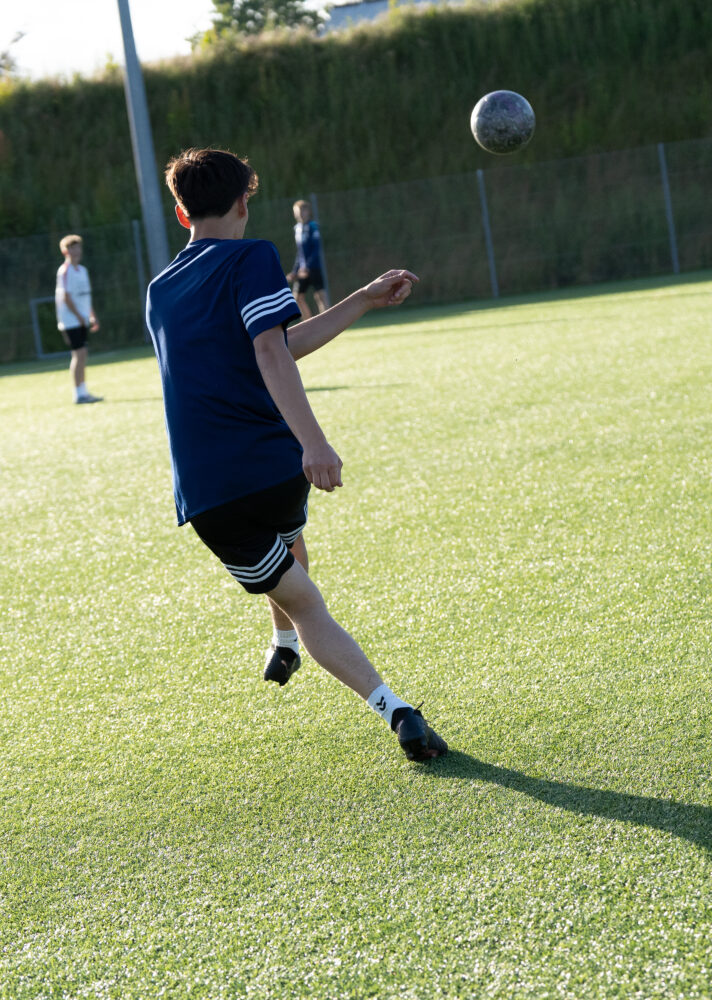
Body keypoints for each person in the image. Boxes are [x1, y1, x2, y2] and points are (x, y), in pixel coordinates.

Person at [145, 148, 446, 762]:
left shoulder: (159, 291)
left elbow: (272, 345)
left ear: (181, 214)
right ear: (243, 203)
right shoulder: (252, 255)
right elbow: (271, 353)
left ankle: (370, 692)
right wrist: (314, 441)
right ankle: (345, 676)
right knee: (297, 565)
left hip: (207, 494)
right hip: (273, 467)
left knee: (301, 597)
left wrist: (359, 298)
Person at [55, 234, 102, 404]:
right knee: (79, 354)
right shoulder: (65, 271)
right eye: (72, 248)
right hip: (71, 320)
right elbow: (66, 297)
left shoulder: (83, 270)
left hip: (82, 319)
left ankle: (83, 391)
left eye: (78, 247)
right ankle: (78, 393)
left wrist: (92, 316)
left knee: (83, 354)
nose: (76, 251)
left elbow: (85, 297)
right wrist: (79, 317)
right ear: (65, 251)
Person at [290, 199, 330, 317]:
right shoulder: (296, 229)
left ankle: (327, 323)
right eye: (297, 212)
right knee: (297, 298)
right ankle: (308, 324)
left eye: (302, 211)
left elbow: (316, 249)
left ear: (308, 212)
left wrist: (307, 267)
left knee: (320, 296)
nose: (299, 214)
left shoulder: (313, 226)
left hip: (314, 268)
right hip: (302, 270)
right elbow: (300, 253)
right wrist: (295, 271)